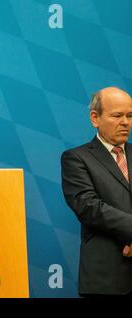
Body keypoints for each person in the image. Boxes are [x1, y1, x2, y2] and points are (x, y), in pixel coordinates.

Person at [61, 87, 132, 296]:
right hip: (107, 278)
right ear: (95, 118)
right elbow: (88, 206)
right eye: (117, 115)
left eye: (129, 115)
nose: (126, 122)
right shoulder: (76, 158)